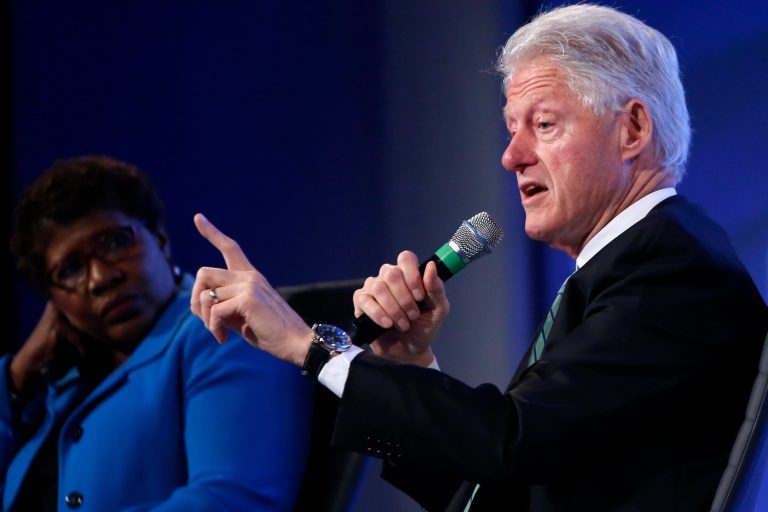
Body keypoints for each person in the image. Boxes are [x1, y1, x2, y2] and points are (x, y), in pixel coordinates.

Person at [190, 4, 768, 511]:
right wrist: (407, 365)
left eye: (544, 124)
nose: (512, 156)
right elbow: (492, 487)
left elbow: (509, 443)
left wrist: (311, 348)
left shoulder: (672, 269)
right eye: (511, 129)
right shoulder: (640, 263)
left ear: (633, 128)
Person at [2, 156, 314, 511]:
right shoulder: (55, 382)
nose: (102, 277)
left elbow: (232, 501)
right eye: (70, 268)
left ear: (161, 238)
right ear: (52, 300)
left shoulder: (223, 331)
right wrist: (16, 378)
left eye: (115, 242)